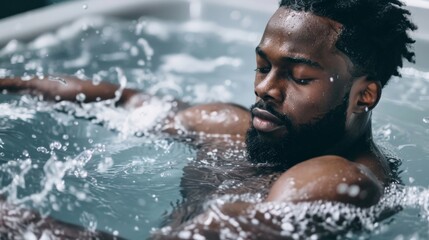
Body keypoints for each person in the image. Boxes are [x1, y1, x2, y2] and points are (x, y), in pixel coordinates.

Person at [0, 0, 416, 238]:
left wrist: (14, 221)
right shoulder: (234, 127)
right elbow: (122, 98)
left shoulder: (334, 181)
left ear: (365, 95)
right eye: (261, 66)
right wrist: (9, 83)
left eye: (299, 76)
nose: (265, 89)